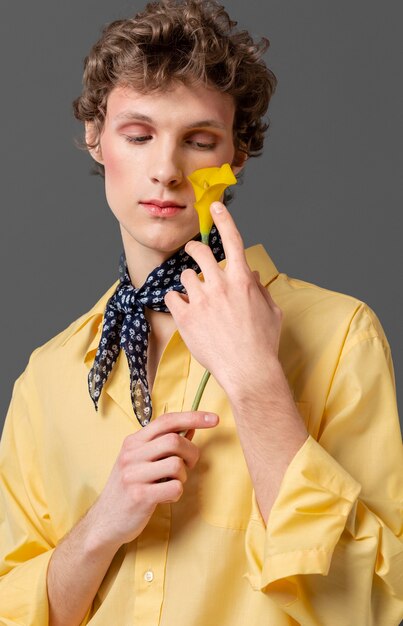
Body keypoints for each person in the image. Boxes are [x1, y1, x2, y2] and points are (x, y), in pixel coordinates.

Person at [0, 0, 402, 624]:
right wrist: (102, 526)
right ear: (95, 139)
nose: (165, 170)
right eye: (138, 136)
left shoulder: (340, 336)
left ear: (236, 154)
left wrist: (258, 383)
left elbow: (373, 607)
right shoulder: (47, 378)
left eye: (199, 140)